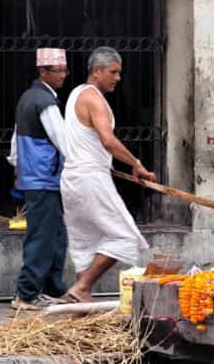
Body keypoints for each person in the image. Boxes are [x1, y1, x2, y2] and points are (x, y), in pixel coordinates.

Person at [60, 47, 154, 303]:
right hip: (90, 178)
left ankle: (81, 304)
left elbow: (87, 141)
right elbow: (108, 140)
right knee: (125, 236)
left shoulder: (75, 94)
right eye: (113, 72)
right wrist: (136, 164)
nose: (118, 78)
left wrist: (107, 163)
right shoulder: (94, 99)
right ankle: (82, 287)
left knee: (85, 243)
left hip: (73, 178)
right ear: (96, 71)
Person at [8, 48, 70, 310]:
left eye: (65, 70)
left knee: (56, 235)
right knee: (42, 237)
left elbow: (15, 140)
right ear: (43, 71)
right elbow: (63, 139)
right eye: (58, 71)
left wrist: (17, 165)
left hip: (37, 177)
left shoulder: (28, 98)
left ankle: (51, 287)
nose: (63, 76)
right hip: (44, 177)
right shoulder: (45, 102)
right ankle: (27, 293)